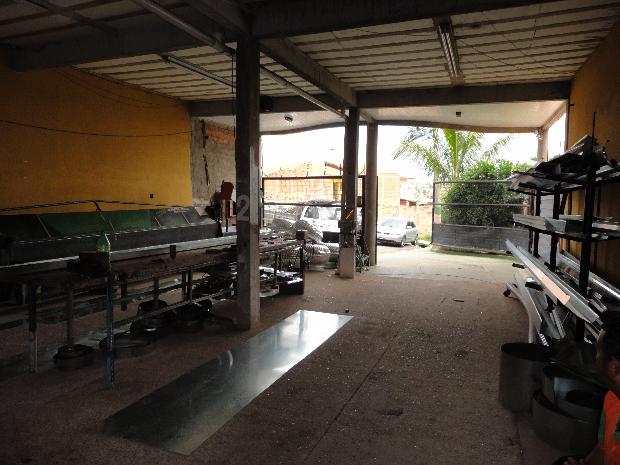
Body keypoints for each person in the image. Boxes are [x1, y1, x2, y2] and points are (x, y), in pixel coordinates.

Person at [561, 311, 620, 465]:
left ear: (614, 366)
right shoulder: (612, 398)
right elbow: (602, 450)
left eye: (598, 352)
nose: (595, 358)